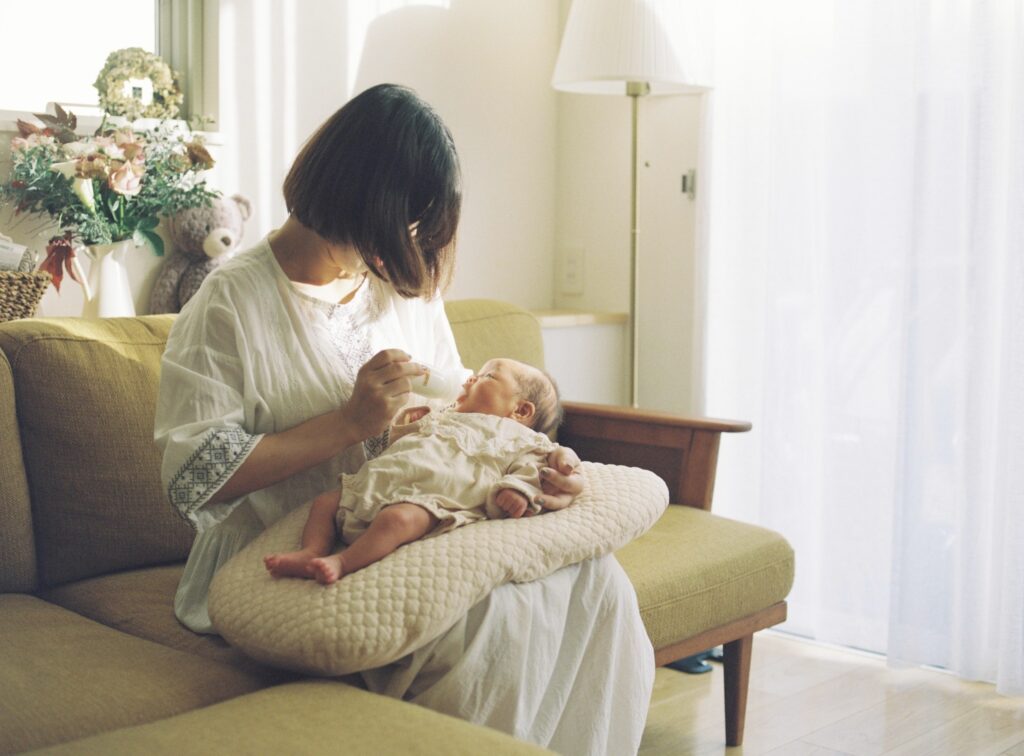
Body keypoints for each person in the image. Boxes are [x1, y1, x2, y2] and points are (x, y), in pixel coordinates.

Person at [154, 83, 653, 755]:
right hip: (289, 550)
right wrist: (347, 424)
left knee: (596, 582)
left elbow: (456, 406)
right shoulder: (229, 303)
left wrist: (539, 475)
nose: (411, 244)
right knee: (489, 626)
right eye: (407, 225)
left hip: (412, 531)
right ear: (363, 200)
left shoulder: (396, 285)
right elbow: (193, 476)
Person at [264, 358, 565, 584]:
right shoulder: (446, 414)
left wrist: (518, 490)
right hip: (379, 483)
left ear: (521, 410)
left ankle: (342, 562)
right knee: (325, 503)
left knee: (397, 520)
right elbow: (394, 444)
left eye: (488, 376)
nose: (471, 378)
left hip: (428, 500)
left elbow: (536, 467)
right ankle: (312, 550)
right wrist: (408, 423)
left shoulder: (519, 438)